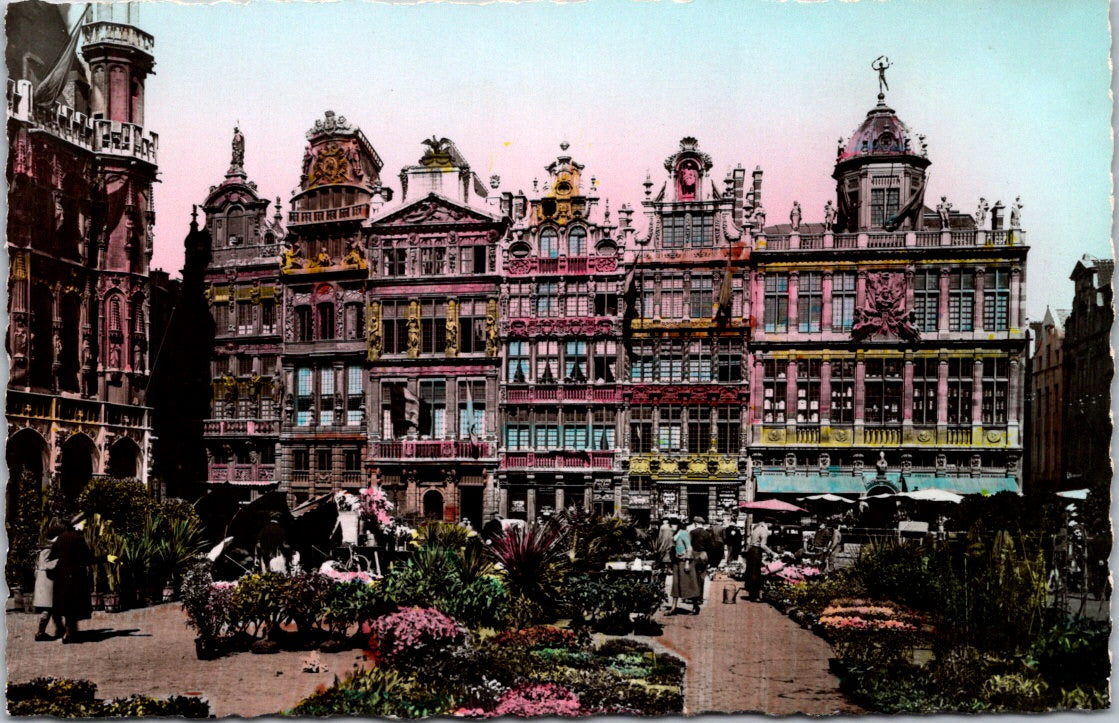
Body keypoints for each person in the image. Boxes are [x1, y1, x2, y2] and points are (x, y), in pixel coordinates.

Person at [48, 521, 98, 643]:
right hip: (75, 576)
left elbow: (52, 557)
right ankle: (70, 633)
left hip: (60, 576)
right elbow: (87, 558)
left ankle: (62, 631)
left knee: (63, 604)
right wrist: (105, 558)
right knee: (73, 605)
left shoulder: (59, 539)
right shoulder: (78, 539)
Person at [33, 521, 67, 641]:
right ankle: (41, 633)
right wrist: (60, 561)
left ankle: (59, 629)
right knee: (48, 608)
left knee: (52, 608)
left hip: (45, 580)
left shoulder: (45, 547)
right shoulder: (49, 548)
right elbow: (46, 564)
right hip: (47, 581)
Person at [668, 518, 701, 615]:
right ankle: (673, 608)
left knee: (689, 584)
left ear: (678, 525)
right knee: (675, 584)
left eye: (674, 524)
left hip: (685, 562)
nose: (672, 527)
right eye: (671, 525)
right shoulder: (675, 534)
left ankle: (695, 607)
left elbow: (689, 548)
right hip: (677, 562)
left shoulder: (683, 533)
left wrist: (687, 562)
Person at [744, 517, 775, 602]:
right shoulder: (764, 530)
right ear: (768, 523)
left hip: (751, 550)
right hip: (756, 551)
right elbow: (762, 545)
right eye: (771, 525)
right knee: (756, 573)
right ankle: (755, 596)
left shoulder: (756, 528)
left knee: (751, 572)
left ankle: (751, 594)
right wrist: (772, 553)